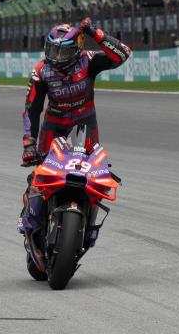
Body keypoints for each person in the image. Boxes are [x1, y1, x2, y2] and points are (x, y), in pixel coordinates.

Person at [18, 17, 131, 236]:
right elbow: (31, 109)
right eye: (52, 49)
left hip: (85, 126)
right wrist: (28, 144)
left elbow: (123, 53)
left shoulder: (88, 61)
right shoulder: (41, 71)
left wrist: (95, 32)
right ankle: (29, 217)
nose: (56, 56)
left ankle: (87, 226)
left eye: (63, 51)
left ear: (78, 48)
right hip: (54, 127)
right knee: (39, 176)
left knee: (94, 176)